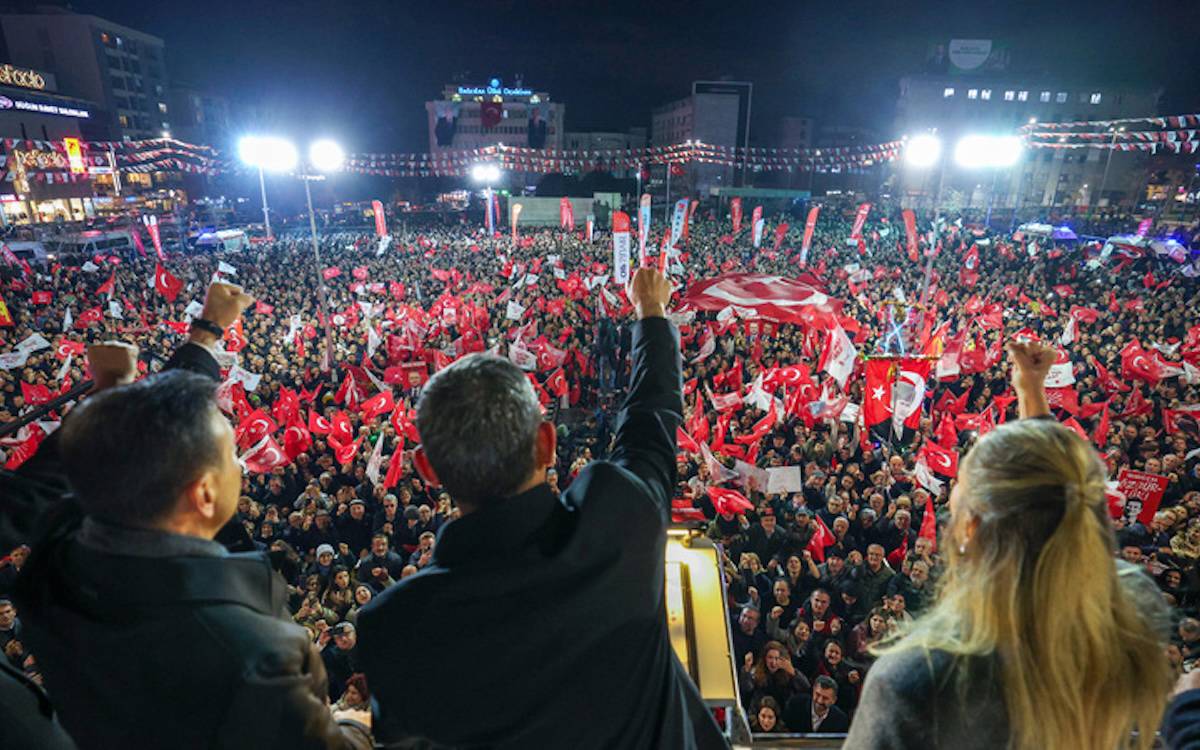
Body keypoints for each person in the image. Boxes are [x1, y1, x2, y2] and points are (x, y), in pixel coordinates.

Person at [356, 267, 726, 748]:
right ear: (547, 444)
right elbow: (650, 421)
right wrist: (651, 313)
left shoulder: (393, 629)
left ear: (427, 471)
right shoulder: (617, 522)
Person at [12, 283, 373, 750]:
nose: (241, 465)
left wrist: (123, 396)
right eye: (230, 455)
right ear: (204, 492)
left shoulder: (49, 575)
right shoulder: (253, 650)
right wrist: (358, 727)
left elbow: (81, 470)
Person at [845, 341, 1174, 750]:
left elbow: (1061, 501)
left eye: (957, 496)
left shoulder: (918, 679)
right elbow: (1062, 503)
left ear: (970, 529)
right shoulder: (1132, 620)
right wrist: (1032, 396)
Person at [783, 675, 849, 733]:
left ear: (833, 700)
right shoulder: (794, 705)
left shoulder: (841, 720)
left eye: (825, 698)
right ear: (813, 690)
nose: (820, 701)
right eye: (817, 694)